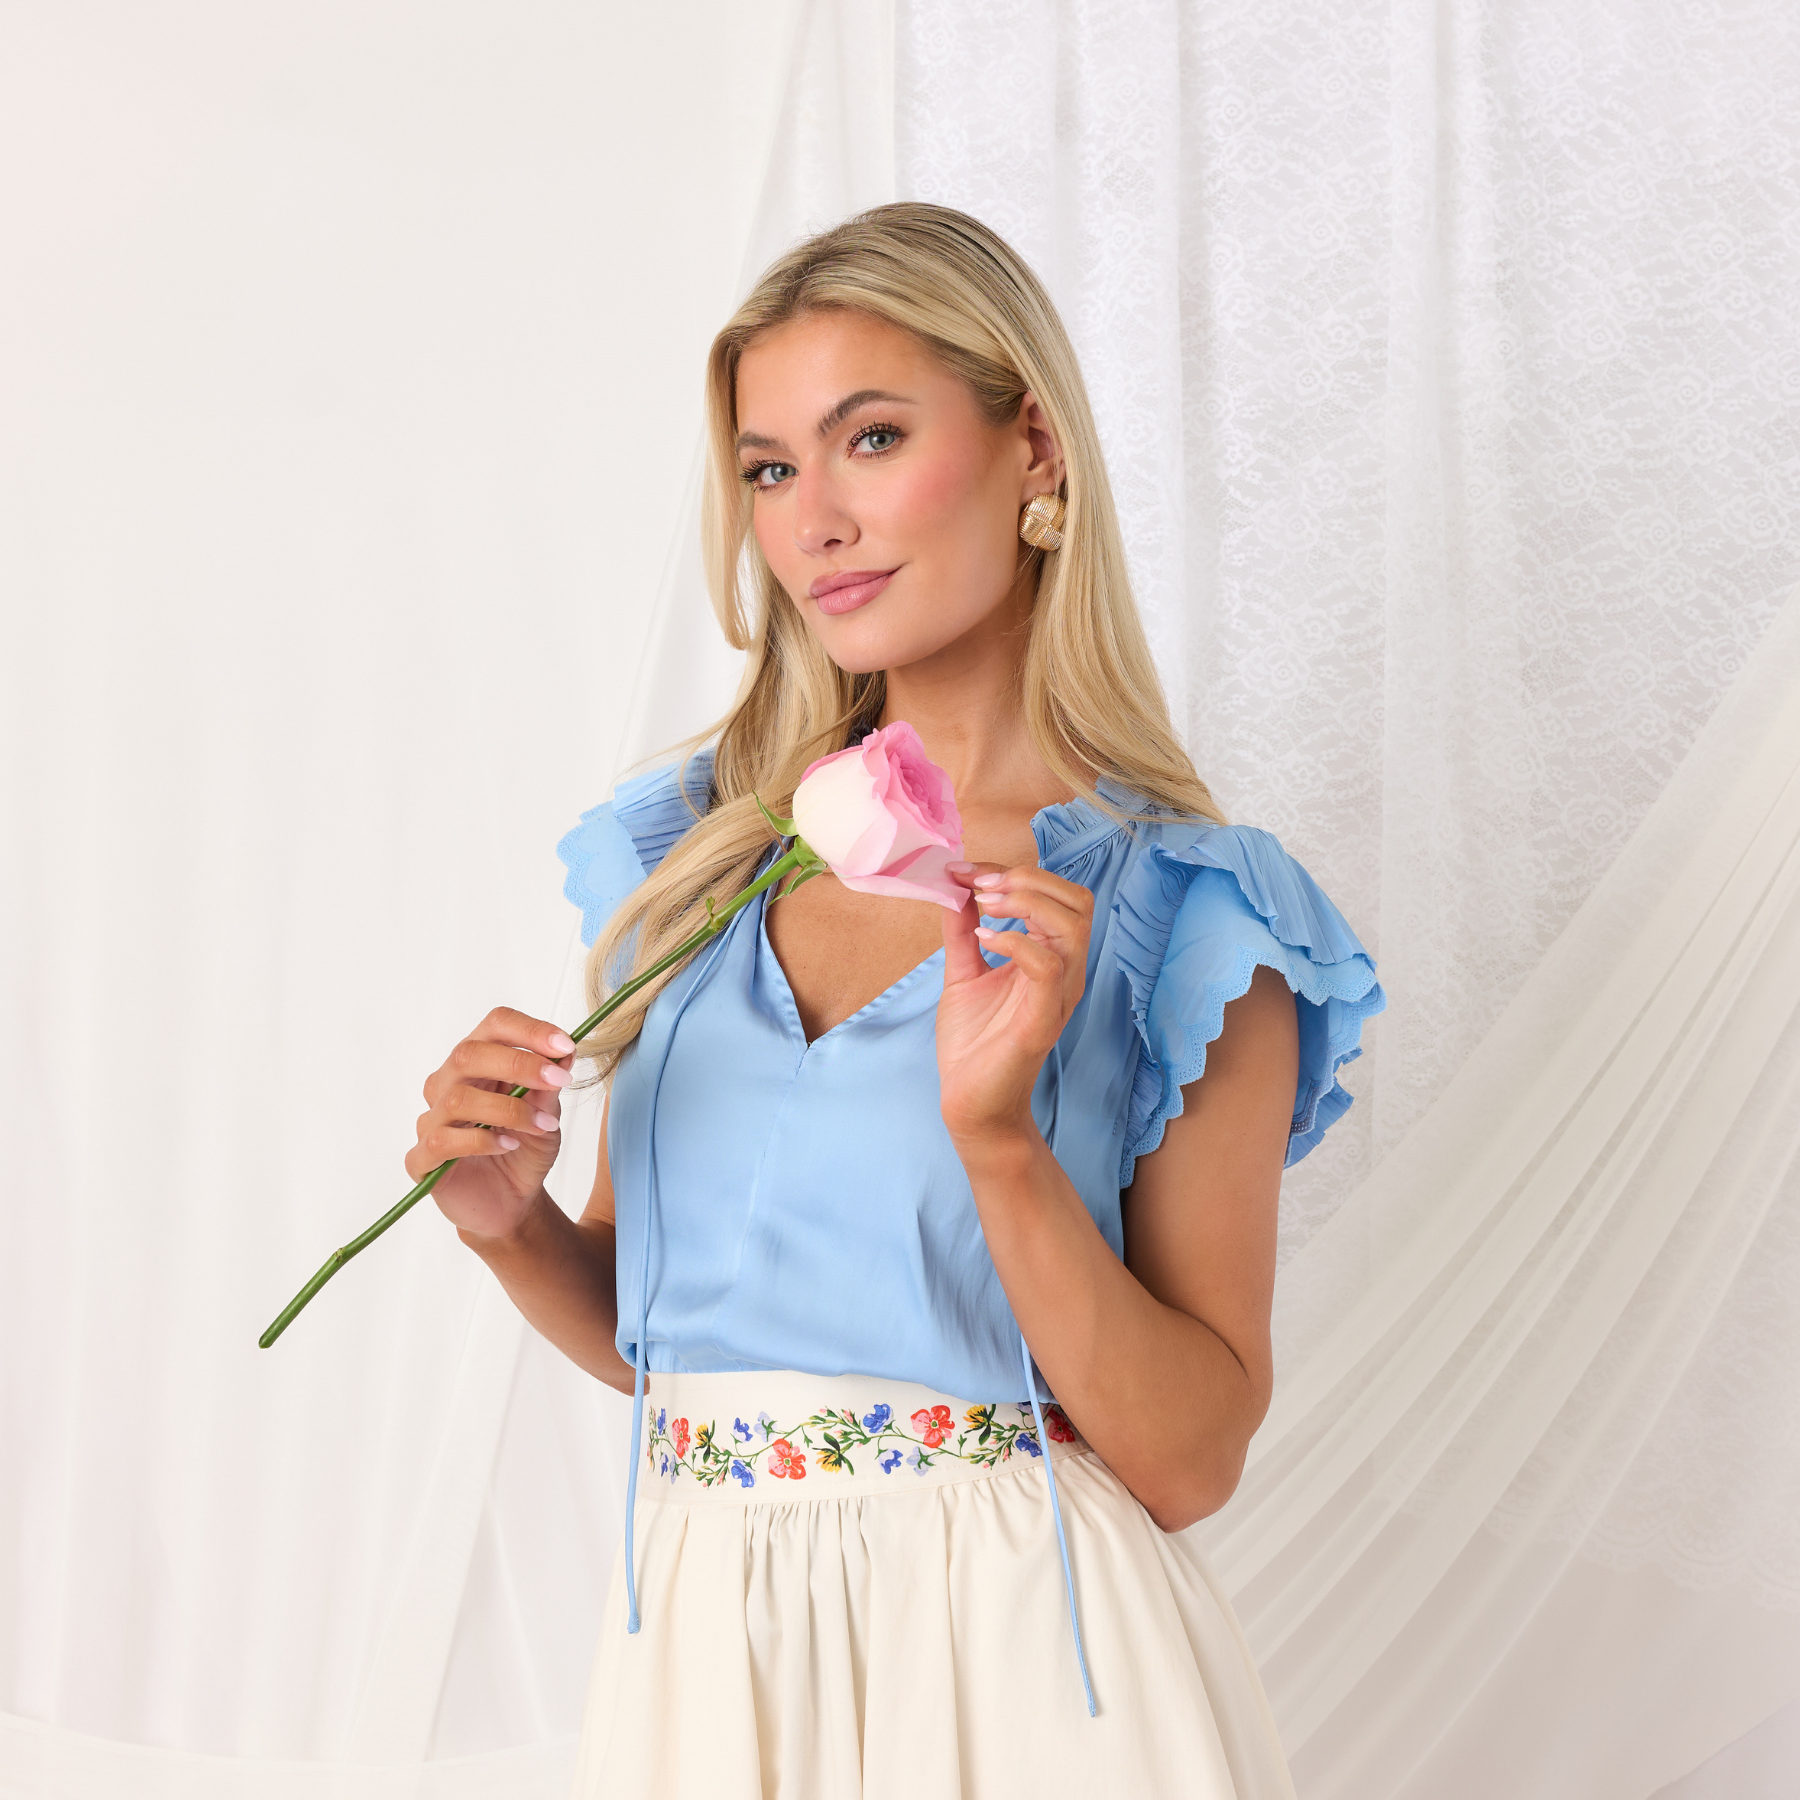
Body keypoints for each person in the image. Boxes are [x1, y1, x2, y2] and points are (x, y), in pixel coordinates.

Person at [407, 203, 1383, 1798]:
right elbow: (683, 1339)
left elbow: (1193, 1456)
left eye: (872, 438)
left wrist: (998, 1141)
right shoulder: (697, 867)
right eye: (773, 469)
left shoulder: (1184, 912)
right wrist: (511, 1225)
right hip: (705, 1662)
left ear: (1036, 450)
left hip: (1023, 1669)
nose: (815, 522)